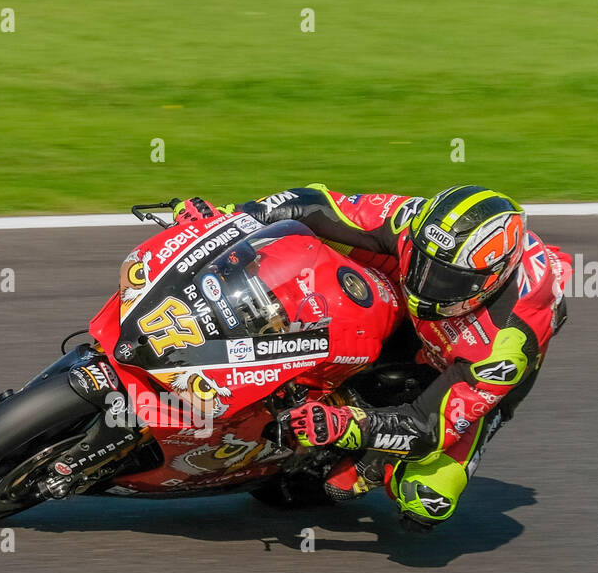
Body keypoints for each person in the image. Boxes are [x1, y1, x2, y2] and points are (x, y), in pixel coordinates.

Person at [175, 184, 570, 531]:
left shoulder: (506, 344)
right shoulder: (414, 224)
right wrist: (228, 219)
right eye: (423, 264)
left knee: (425, 497)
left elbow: (427, 426)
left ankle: (374, 455)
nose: (427, 283)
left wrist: (350, 426)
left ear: (491, 282)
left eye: (445, 279)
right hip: (411, 303)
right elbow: (315, 204)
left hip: (462, 365)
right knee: (315, 245)